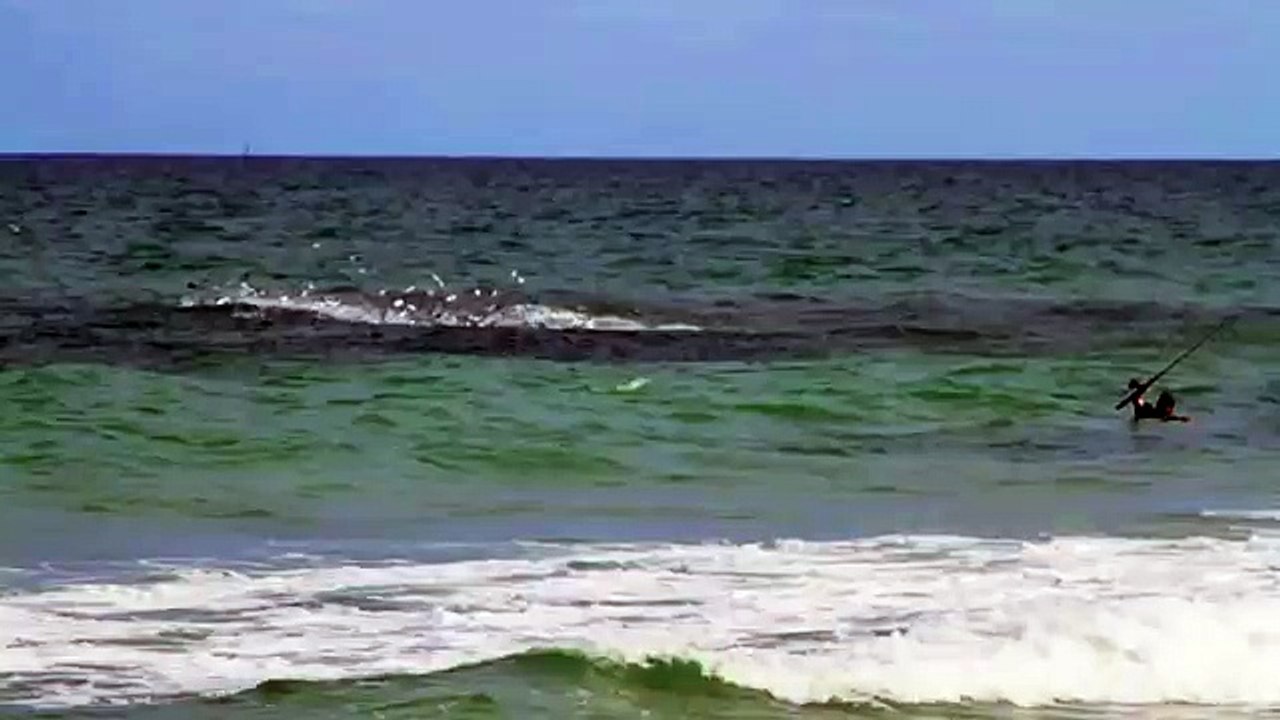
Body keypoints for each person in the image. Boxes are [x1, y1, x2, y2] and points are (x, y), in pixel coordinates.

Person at [1126, 378, 1190, 423]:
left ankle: (1136, 387)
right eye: (1172, 407)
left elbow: (1137, 402)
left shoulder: (1149, 409)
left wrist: (1140, 389)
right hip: (1144, 415)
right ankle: (1136, 387)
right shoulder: (1156, 413)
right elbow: (1169, 418)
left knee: (1141, 404)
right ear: (1168, 408)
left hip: (1143, 415)